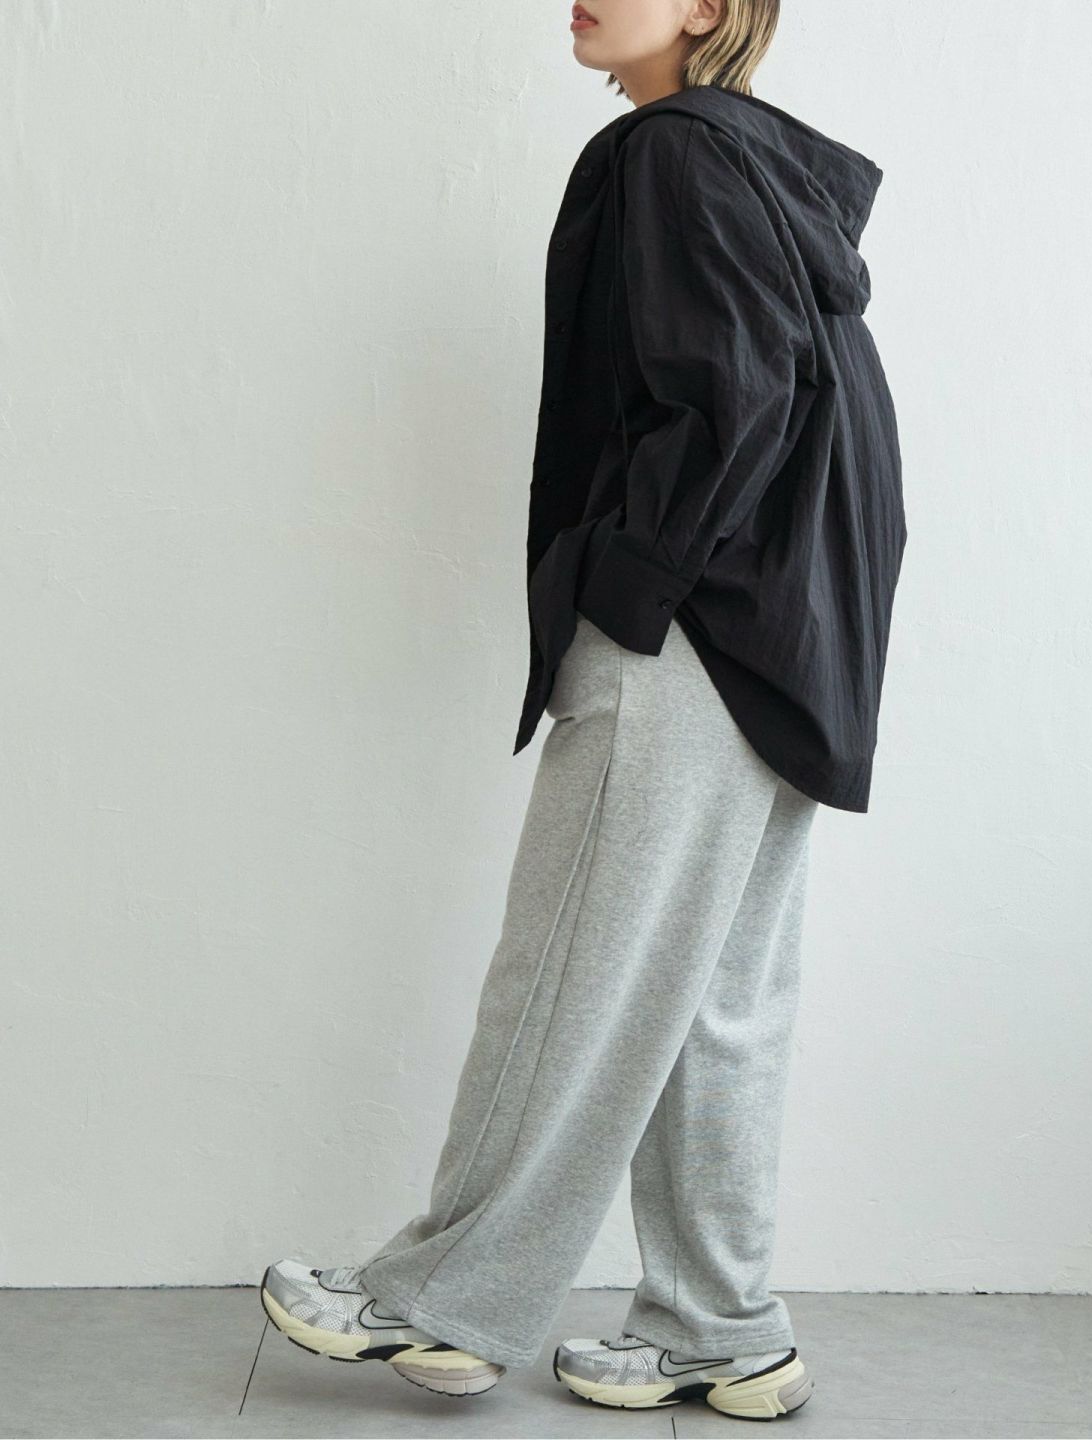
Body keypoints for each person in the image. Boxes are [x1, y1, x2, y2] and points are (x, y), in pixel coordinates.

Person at [260, 0, 906, 1422]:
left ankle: (438, 1298)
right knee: (714, 1010)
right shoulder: (762, 172)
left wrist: (629, 591)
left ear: (711, 8)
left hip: (686, 636)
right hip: (788, 652)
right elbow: (815, 413)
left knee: (564, 975)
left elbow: (730, 397)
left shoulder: (672, 153)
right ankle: (720, 1330)